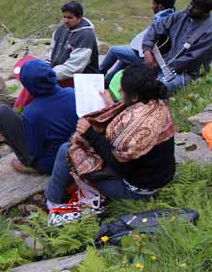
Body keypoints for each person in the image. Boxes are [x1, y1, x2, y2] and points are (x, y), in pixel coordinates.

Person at [46, 63, 175, 223]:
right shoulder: (155, 102)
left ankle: (52, 201)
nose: (119, 90)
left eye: (123, 89)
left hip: (136, 192)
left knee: (67, 149)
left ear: (134, 96)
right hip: (158, 176)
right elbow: (129, 117)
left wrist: (90, 133)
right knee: (79, 145)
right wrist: (111, 107)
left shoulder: (135, 130)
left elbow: (119, 166)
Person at [0, 59, 78, 175]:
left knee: (1, 112)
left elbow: (35, 150)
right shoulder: (72, 92)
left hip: (52, 164)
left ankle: (28, 164)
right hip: (78, 153)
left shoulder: (31, 113)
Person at [100, 0, 176, 86]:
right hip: (147, 54)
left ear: (160, 6)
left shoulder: (162, 21)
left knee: (114, 51)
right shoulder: (171, 16)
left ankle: (97, 75)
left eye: (153, 3)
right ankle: (106, 83)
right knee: (123, 60)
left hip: (147, 58)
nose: (152, 6)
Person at [143, 0, 212, 93]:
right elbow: (155, 28)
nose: (190, 8)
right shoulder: (181, 15)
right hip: (164, 63)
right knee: (135, 76)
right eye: (191, 3)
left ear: (206, 11)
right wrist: (147, 49)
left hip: (186, 73)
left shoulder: (209, 31)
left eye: (196, 8)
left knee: (155, 88)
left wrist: (164, 67)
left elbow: (192, 59)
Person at [49, 1, 99, 85]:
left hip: (82, 81)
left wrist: (48, 74)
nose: (65, 20)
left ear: (79, 18)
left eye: (70, 17)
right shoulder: (60, 29)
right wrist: (45, 67)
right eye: (64, 17)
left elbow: (75, 67)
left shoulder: (86, 35)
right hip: (58, 75)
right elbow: (50, 52)